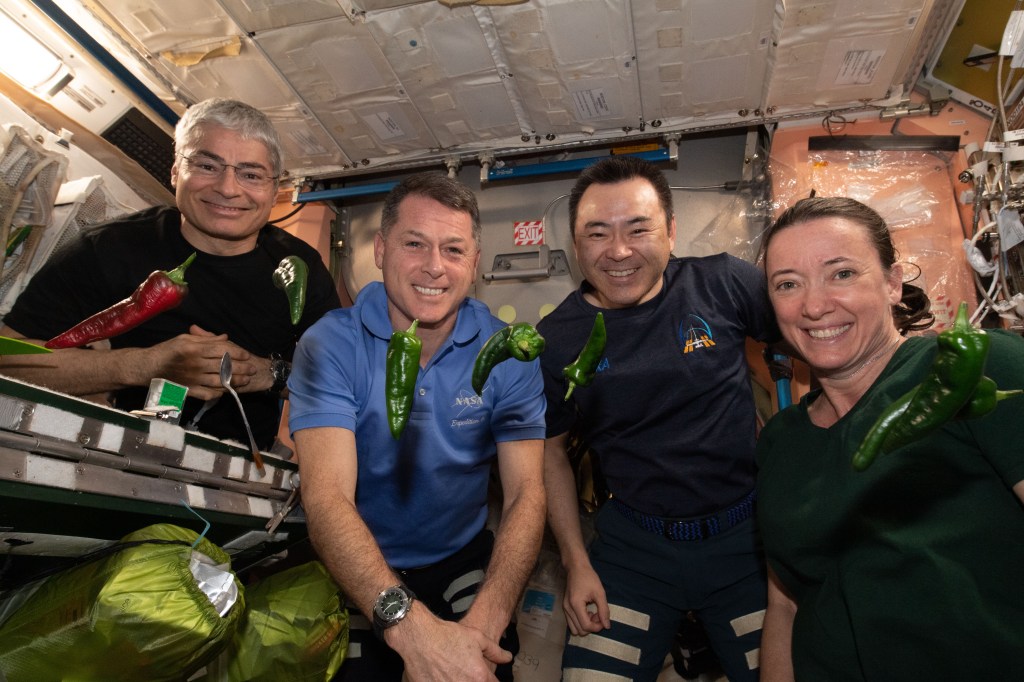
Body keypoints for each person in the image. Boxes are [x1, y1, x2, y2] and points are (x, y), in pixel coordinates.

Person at [287, 172, 547, 681]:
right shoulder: (330, 345)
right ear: (381, 249)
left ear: (475, 263)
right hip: (359, 556)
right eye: (414, 244)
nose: (434, 266)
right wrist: (414, 634)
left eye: (454, 249)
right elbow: (326, 498)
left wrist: (483, 626)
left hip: (461, 557)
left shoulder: (510, 352)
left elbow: (525, 493)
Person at [756, 196, 1024, 681]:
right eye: (788, 284)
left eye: (841, 274)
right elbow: (785, 605)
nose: (814, 306)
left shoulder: (976, 369)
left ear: (893, 283)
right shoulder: (780, 440)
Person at [537, 156, 776, 681]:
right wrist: (576, 563)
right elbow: (549, 452)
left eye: (638, 229)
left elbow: (802, 352)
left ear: (670, 230)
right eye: (597, 233)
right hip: (633, 550)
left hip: (749, 542)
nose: (619, 251)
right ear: (576, 245)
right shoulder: (557, 338)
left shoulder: (726, 283)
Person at [0, 98, 340, 450]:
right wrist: (144, 365)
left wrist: (262, 373)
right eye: (207, 166)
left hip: (242, 466)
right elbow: (8, 360)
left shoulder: (301, 268)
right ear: (176, 171)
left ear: (274, 189)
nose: (227, 188)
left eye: (251, 174)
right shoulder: (108, 248)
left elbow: (345, 381)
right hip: (107, 452)